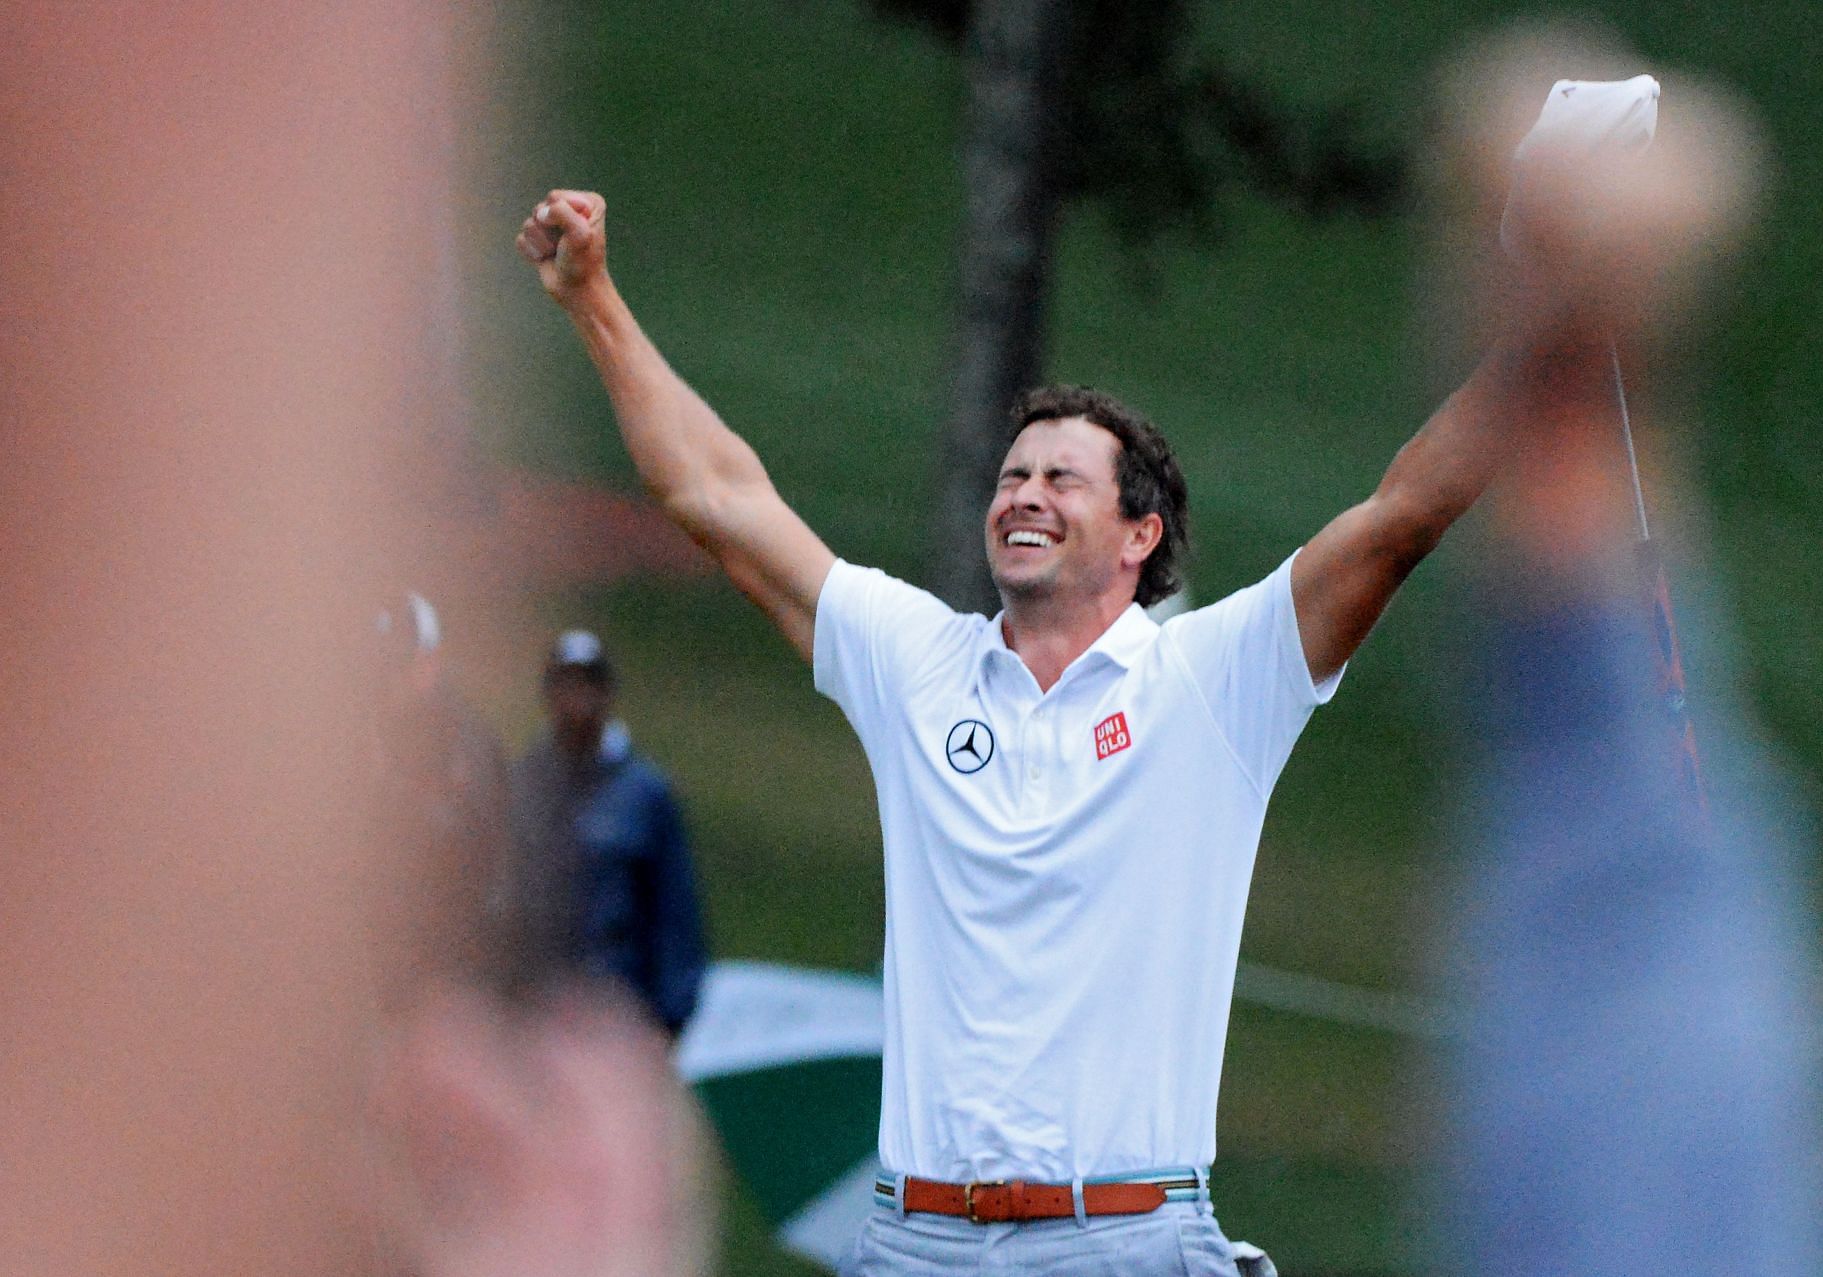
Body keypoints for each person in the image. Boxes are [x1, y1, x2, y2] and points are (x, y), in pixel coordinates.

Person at [514, 188, 1537, 1275]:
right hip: (914, 1239)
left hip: (1128, 1236)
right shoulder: (915, 660)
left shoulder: (1214, 678)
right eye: (1011, 475)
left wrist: (1549, 332)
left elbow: (1403, 515)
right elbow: (714, 492)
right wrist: (593, 302)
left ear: (1142, 533)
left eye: (1061, 477)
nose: (1023, 494)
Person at [503, 629, 707, 1037]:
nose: (576, 701)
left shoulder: (644, 793)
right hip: (536, 1007)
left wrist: (671, 1016)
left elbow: (673, 909)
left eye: (587, 686)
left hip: (617, 1008)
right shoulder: (524, 783)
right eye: (565, 686)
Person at [372, 590, 513, 993]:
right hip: (390, 962)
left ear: (430, 663)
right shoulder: (375, 733)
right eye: (383, 667)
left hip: (449, 964)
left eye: (401, 665)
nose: (390, 681)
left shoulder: (463, 741)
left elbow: (473, 851)